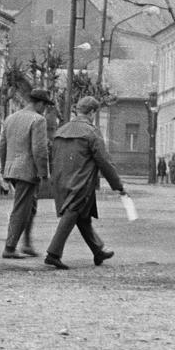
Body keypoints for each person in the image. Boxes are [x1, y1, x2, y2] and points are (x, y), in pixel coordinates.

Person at [43, 95, 127, 270]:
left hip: (60, 179)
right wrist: (118, 185)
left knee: (82, 217)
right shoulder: (91, 132)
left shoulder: (61, 130)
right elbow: (104, 161)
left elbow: (53, 156)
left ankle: (98, 250)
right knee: (73, 212)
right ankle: (53, 253)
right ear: (92, 112)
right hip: (81, 182)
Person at [0, 87, 52, 259]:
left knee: (31, 207)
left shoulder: (11, 118)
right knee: (22, 208)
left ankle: (27, 244)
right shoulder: (38, 119)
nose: (45, 109)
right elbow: (39, 149)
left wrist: (4, 168)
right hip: (28, 171)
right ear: (40, 103)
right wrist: (44, 173)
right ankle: (10, 247)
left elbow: (2, 145)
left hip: (12, 169)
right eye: (45, 105)